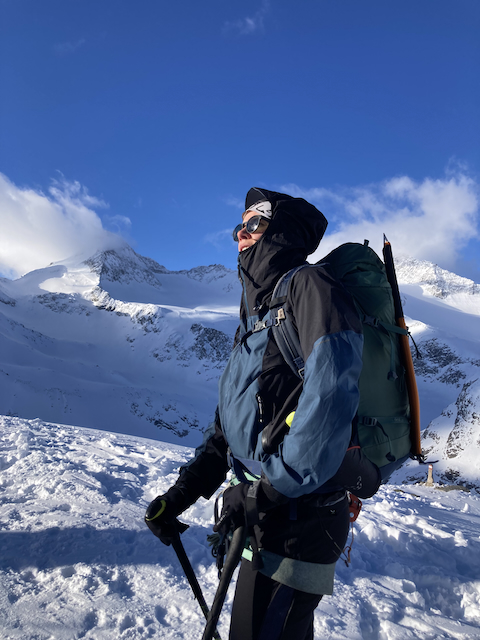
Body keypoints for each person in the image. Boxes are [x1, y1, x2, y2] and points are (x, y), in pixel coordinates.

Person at [145, 188, 381, 640]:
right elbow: (230, 428)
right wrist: (180, 495)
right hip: (264, 518)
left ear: (281, 231)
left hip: (300, 522)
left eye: (254, 223)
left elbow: (330, 398)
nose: (241, 233)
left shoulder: (311, 289)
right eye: (239, 225)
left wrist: (265, 492)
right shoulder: (258, 314)